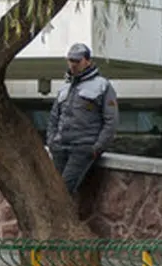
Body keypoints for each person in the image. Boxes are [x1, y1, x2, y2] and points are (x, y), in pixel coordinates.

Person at [45, 43, 118, 195]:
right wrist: (52, 142)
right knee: (55, 191)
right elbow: (53, 118)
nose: (73, 65)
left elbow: (111, 121)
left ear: (87, 61)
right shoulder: (64, 87)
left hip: (82, 148)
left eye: (77, 61)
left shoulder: (102, 86)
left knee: (62, 192)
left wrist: (96, 148)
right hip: (60, 148)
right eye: (70, 60)